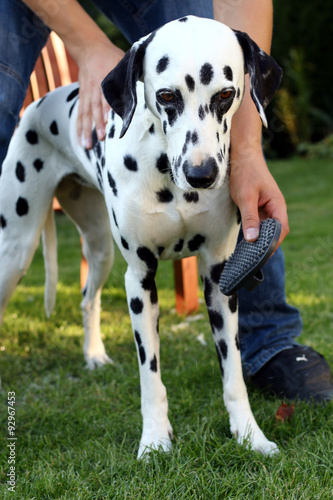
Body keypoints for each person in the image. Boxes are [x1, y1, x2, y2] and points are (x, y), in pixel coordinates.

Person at [1, 0, 332, 401]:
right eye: (169, 98)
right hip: (42, 127)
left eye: (225, 95)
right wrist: (88, 47)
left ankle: (270, 340)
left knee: (102, 253)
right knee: (13, 255)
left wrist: (246, 152)